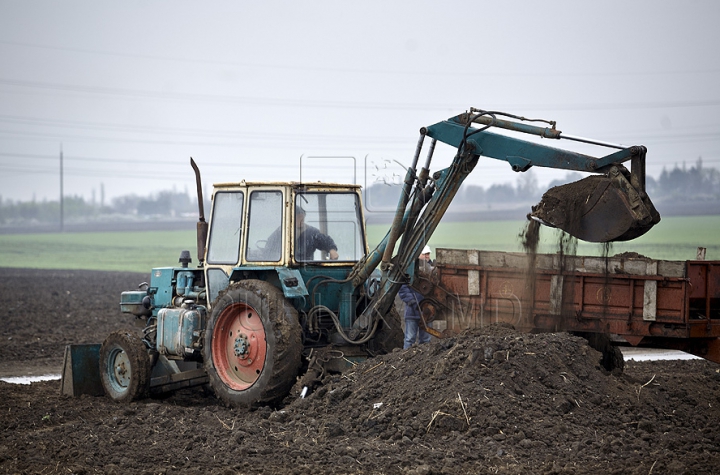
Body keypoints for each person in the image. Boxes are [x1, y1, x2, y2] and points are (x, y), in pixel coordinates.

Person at [399, 245, 433, 349]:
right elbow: (403, 288)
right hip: (412, 312)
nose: (427, 256)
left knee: (426, 340)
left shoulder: (433, 271)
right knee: (410, 339)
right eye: (424, 254)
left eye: (428, 254)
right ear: (418, 255)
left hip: (427, 312)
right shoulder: (410, 271)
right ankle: (404, 360)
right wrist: (412, 301)